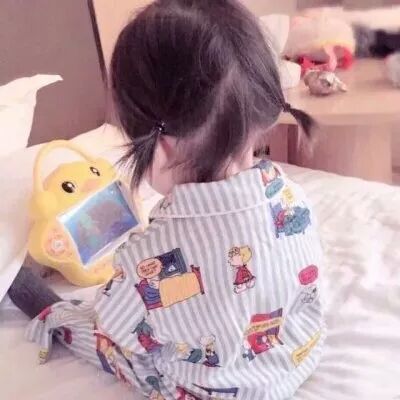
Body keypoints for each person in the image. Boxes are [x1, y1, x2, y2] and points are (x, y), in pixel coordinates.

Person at [9, 1, 324, 398]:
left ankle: (48, 312)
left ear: (158, 150)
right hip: (293, 360)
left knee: (106, 341)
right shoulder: (294, 200)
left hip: (211, 389)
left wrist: (125, 278)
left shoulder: (145, 261)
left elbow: (115, 326)